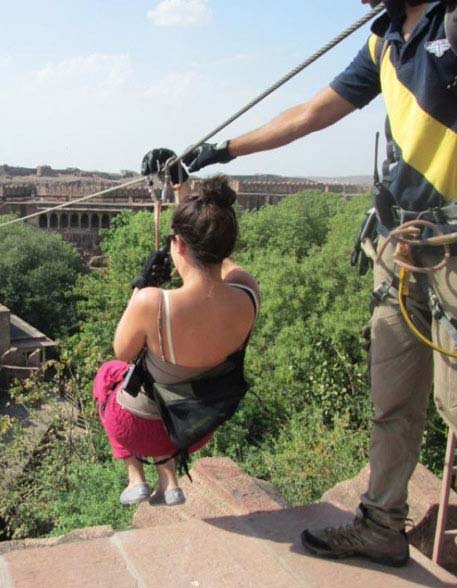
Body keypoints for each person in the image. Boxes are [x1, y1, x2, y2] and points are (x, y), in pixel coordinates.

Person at [143, 0, 456, 568]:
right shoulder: (385, 36)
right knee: (393, 398)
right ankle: (382, 525)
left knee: (452, 402)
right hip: (399, 246)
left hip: (454, 252)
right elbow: (313, 112)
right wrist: (219, 151)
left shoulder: (449, 22)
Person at [93, 176, 260, 507]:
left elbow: (124, 352)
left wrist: (141, 289)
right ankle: (169, 482)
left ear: (178, 245)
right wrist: (184, 197)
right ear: (226, 246)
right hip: (196, 429)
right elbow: (216, 255)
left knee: (108, 374)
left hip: (139, 430)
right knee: (164, 392)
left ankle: (135, 477)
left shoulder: (153, 302)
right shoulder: (248, 292)